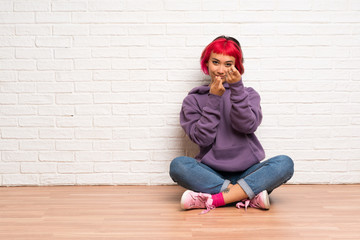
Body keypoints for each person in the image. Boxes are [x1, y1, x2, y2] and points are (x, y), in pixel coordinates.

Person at [169, 36, 294, 214]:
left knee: (284, 164)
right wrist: (213, 99)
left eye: (228, 64)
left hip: (249, 171)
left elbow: (247, 126)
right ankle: (249, 196)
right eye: (215, 62)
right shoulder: (193, 100)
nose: (220, 70)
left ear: (237, 67)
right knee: (178, 165)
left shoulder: (248, 95)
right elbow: (202, 139)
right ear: (207, 63)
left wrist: (236, 90)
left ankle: (214, 198)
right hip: (210, 173)